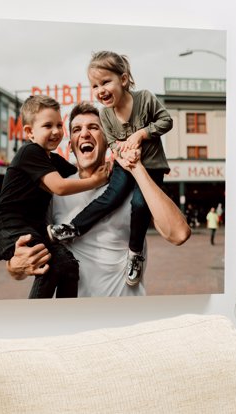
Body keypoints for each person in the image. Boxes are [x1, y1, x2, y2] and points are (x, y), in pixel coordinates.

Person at [7, 102, 190, 297]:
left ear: (108, 140)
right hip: (75, 319)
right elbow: (23, 259)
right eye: (77, 129)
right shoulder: (54, 192)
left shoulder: (131, 186)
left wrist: (136, 168)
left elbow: (178, 234)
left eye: (94, 127)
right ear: (70, 147)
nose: (85, 134)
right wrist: (15, 266)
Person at [47, 51, 173, 287]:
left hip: (151, 167)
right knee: (110, 197)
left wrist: (141, 134)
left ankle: (135, 253)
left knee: (138, 204)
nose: (100, 90)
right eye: (95, 85)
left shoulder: (145, 99)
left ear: (123, 80)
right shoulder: (105, 114)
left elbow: (166, 121)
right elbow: (113, 142)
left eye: (106, 82)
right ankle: (73, 227)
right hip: (125, 164)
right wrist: (120, 154)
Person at [0, 95, 108, 299]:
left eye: (59, 125)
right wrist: (96, 181)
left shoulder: (52, 160)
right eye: (47, 126)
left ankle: (66, 313)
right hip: (10, 225)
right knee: (53, 263)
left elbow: (77, 173)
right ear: (29, 132)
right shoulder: (30, 152)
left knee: (68, 265)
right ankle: (34, 315)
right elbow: (60, 187)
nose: (56, 131)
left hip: (30, 227)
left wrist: (109, 171)